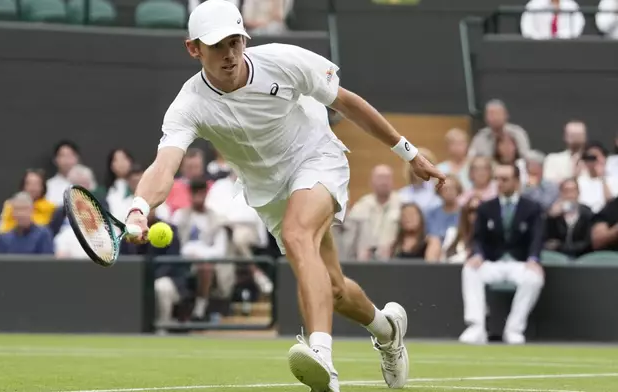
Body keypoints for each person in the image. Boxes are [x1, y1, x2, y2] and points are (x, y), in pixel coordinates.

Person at [123, 1, 445, 390]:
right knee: (336, 290)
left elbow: (347, 103)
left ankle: (322, 357)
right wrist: (140, 208)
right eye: (217, 45)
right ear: (194, 49)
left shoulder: (284, 61)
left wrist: (409, 153)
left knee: (297, 234)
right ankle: (387, 329)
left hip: (316, 158)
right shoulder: (189, 104)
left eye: (235, 42)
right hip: (269, 192)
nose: (229, 54)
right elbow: (165, 165)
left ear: (245, 39)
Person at [460, 163, 544, 345]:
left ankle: (514, 329)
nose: (499, 183)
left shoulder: (532, 208)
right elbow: (477, 237)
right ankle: (476, 327)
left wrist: (533, 259)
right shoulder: (485, 208)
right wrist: (477, 254)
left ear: (516, 181)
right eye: (497, 179)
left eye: (504, 179)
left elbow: (538, 236)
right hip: (492, 263)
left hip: (520, 263)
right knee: (469, 270)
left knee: (534, 278)